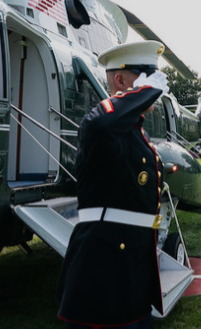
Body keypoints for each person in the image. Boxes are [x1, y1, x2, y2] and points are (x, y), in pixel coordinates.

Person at [56, 41, 170, 329]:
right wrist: (144, 93)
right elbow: (101, 124)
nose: (154, 87)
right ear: (120, 80)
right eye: (147, 77)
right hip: (104, 271)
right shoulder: (99, 127)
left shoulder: (133, 132)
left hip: (132, 268)